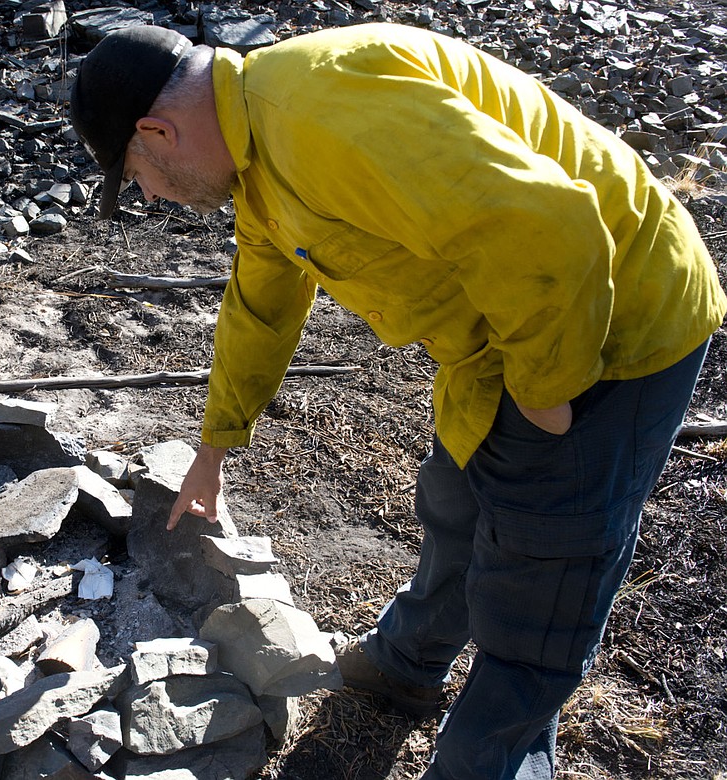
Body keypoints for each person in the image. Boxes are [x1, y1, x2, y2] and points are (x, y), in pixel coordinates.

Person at [69, 22, 726, 780]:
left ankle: (487, 761)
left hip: (611, 326)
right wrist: (214, 446)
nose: (154, 196)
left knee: (543, 584)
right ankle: (406, 666)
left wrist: (548, 393)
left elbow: (551, 224)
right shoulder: (257, 161)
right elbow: (260, 307)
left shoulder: (320, 116)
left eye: (139, 175)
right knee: (455, 501)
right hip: (501, 335)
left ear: (159, 129)